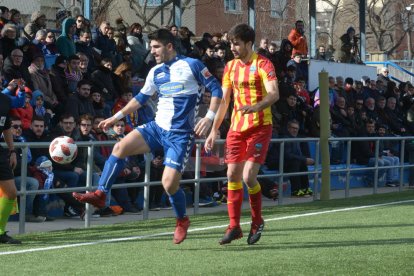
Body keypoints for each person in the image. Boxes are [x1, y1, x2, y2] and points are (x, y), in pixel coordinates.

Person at [73, 28, 223, 244]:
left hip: (180, 134)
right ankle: (101, 193)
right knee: (119, 148)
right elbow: (140, 98)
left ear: (169, 46)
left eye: (155, 47)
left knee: (169, 184)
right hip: (156, 127)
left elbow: (216, 89)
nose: (152, 51)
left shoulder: (192, 65)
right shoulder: (156, 72)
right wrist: (116, 116)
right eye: (151, 47)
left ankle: (182, 220)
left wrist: (208, 118)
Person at [205, 23, 279, 245]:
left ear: (249, 43)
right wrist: (214, 130)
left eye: (236, 43)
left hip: (259, 127)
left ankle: (256, 221)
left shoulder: (264, 64)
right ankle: (234, 226)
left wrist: (256, 107)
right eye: (230, 44)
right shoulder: (229, 67)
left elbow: (274, 93)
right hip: (237, 129)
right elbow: (225, 101)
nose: (233, 48)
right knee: (232, 176)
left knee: (248, 177)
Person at [0, 90, 21, 244]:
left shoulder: (5, 100)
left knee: (11, 192)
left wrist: (12, 150)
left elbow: (6, 127)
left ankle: (0, 232)